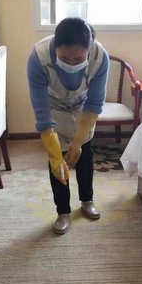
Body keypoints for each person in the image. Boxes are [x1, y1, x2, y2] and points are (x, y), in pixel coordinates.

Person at [27, 17, 109, 234]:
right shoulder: (39, 57)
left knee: (85, 157)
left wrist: (78, 143)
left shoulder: (100, 57)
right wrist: (54, 154)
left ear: (89, 49)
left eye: (78, 59)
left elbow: (94, 104)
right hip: (53, 109)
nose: (72, 63)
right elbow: (41, 112)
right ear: (55, 47)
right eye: (64, 58)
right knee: (58, 163)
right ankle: (62, 211)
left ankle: (87, 200)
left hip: (83, 110)